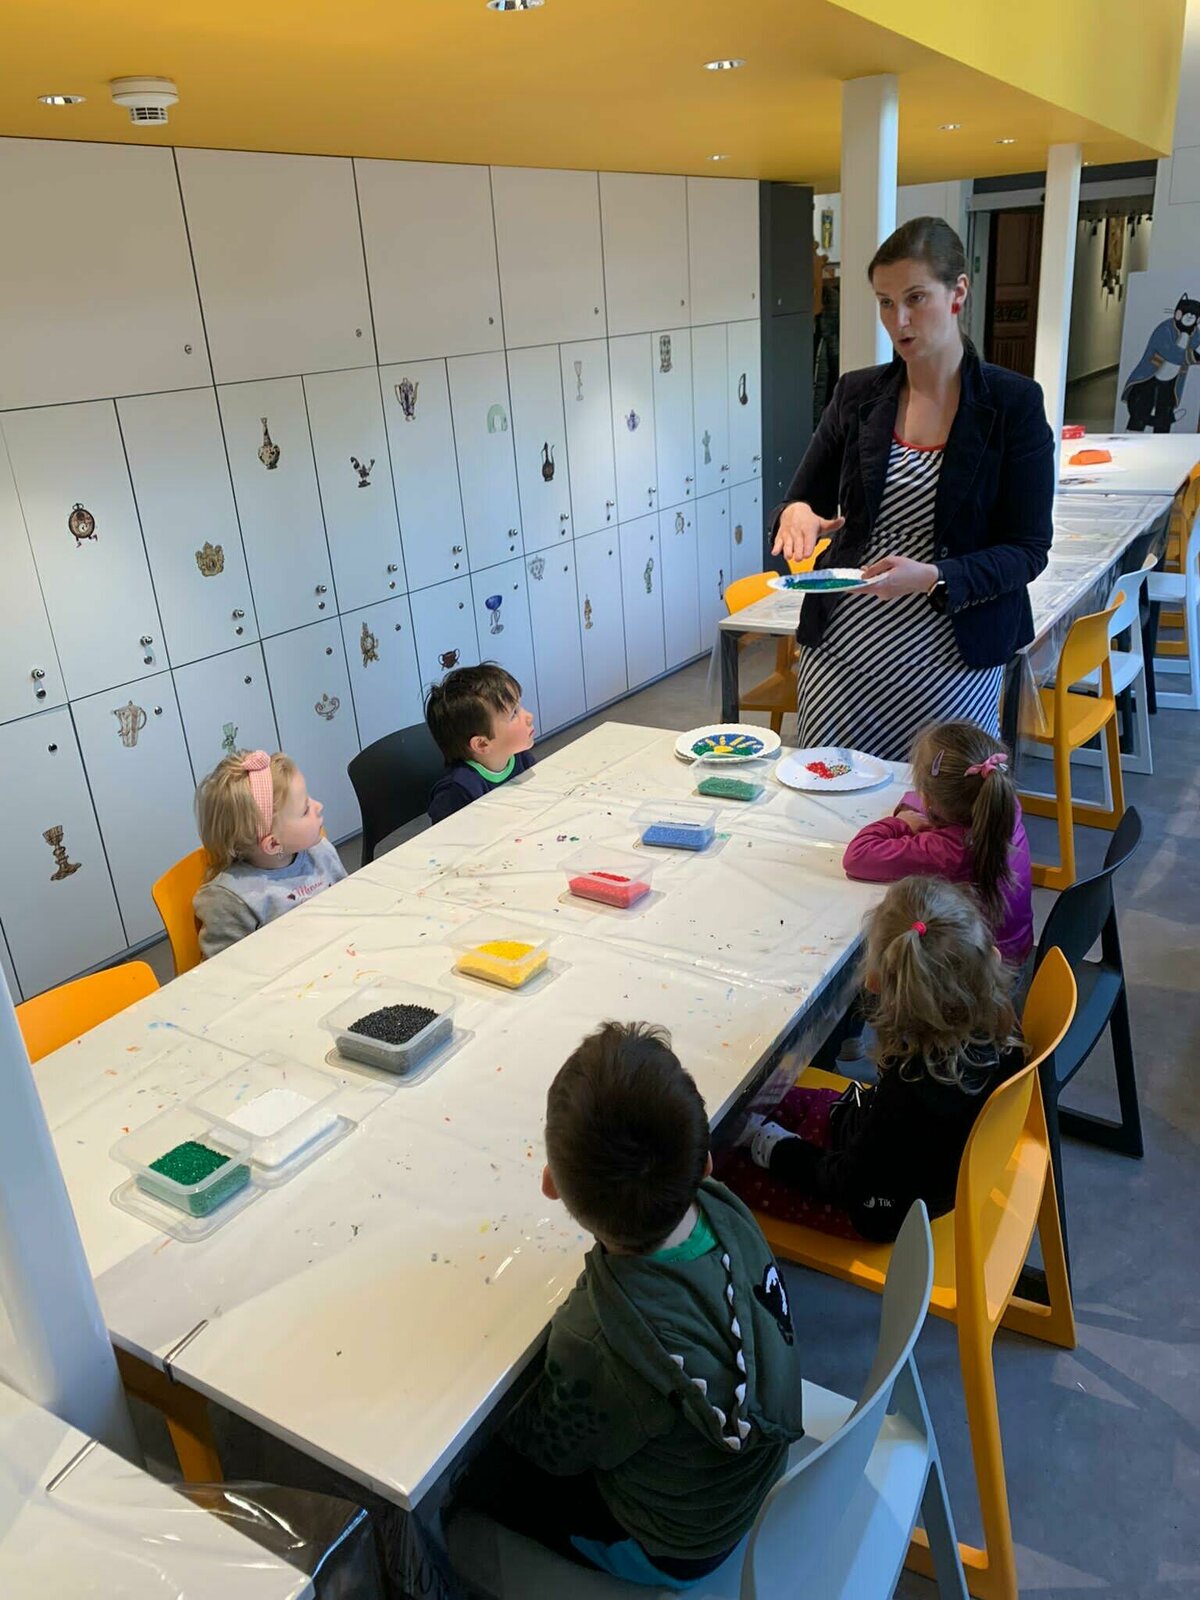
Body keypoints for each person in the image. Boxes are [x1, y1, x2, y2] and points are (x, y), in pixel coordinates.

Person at [459, 1022, 805, 1586]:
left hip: (679, 1543)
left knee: (472, 1474)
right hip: (754, 1470)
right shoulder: (727, 1212)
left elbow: (553, 1450)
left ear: (551, 1186)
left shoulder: (596, 1338)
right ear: (706, 1166)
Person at [771, 216, 1055, 761]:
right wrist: (796, 513)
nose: (897, 320)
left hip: (951, 659)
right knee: (832, 799)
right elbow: (800, 499)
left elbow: (1027, 550)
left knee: (940, 803)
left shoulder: (1012, 404)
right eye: (885, 302)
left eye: (915, 298)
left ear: (958, 293)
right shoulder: (857, 395)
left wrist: (934, 576)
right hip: (844, 655)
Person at [719, 878, 1026, 1243]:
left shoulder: (911, 1087)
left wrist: (773, 1147)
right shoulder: (1000, 1026)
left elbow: (849, 1183)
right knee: (765, 1103)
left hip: (881, 1210)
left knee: (719, 1167)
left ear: (877, 983)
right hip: (918, 1164)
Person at [843, 720, 1033, 967]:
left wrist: (900, 823)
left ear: (929, 800)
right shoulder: (1005, 808)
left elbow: (858, 856)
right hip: (1015, 951)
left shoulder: (946, 851)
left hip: (975, 974)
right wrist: (919, 806)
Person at [192, 750, 345, 959]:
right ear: (273, 844)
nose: (319, 806)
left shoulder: (320, 853)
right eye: (305, 809)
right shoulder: (231, 899)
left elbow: (349, 906)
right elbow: (224, 970)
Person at [425, 663, 536, 825]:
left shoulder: (521, 758)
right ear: (482, 744)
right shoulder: (459, 790)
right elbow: (444, 836)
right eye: (514, 714)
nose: (529, 716)